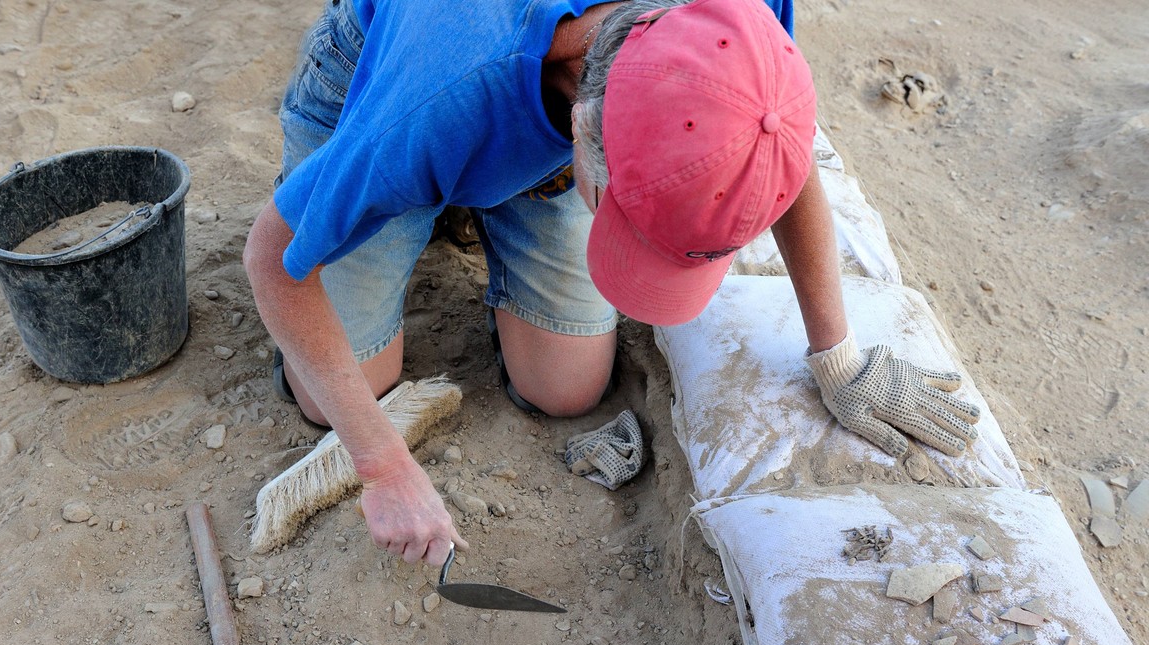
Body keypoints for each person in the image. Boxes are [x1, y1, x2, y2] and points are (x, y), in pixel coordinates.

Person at [243, 0, 981, 566]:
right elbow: (272, 262)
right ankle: (426, 193)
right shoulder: (442, 84)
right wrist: (381, 466)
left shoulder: (732, 28)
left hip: (533, 114)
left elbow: (770, 142)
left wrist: (838, 357)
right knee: (336, 398)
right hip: (374, 82)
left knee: (565, 389)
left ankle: (484, 190)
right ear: (590, 133)